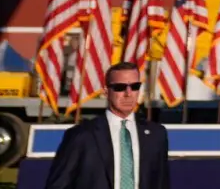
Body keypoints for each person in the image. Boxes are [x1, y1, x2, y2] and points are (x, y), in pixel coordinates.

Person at [43, 62, 171, 189]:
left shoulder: (156, 135)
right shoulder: (82, 135)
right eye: (120, 87)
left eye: (135, 86)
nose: (128, 93)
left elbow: (161, 183)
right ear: (106, 91)